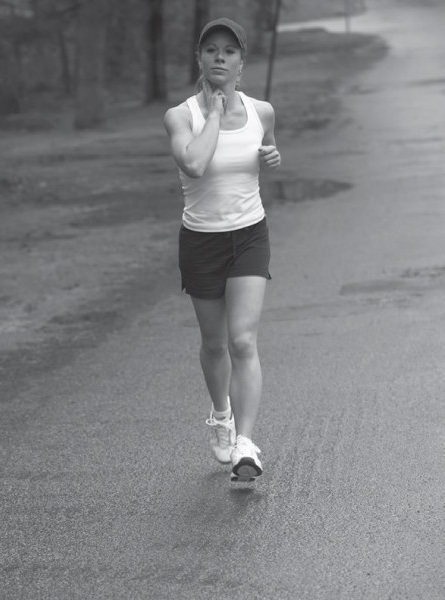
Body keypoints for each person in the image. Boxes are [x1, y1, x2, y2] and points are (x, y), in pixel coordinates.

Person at [164, 18, 281, 482]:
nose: (219, 57)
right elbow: (193, 164)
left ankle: (246, 444)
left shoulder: (262, 111)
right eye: (210, 50)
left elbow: (266, 151)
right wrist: (213, 113)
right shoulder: (182, 116)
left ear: (241, 62)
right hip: (201, 241)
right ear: (199, 58)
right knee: (214, 344)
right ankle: (221, 414)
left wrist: (271, 157)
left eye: (228, 51)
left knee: (242, 340)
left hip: (250, 235)